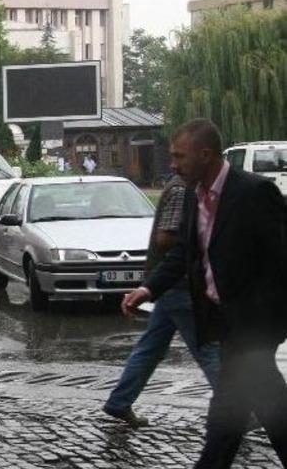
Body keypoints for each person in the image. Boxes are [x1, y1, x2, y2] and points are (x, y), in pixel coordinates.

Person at [122, 118, 287, 468]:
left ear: (206, 155)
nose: (173, 164)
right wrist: (148, 288)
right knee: (247, 413)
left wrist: (266, 319)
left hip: (254, 328)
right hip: (223, 323)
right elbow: (185, 252)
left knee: (229, 418)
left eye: (179, 156)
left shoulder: (254, 192)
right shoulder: (192, 195)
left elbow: (281, 259)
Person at [102, 174, 220, 427]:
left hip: (171, 284)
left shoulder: (187, 187)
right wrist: (204, 237)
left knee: (151, 348)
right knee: (208, 348)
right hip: (180, 284)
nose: (175, 163)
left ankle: (119, 401)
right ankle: (239, 410)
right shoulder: (182, 190)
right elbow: (166, 238)